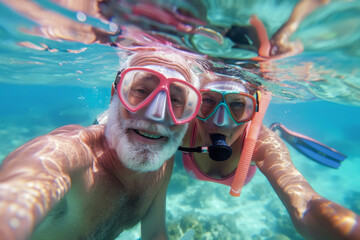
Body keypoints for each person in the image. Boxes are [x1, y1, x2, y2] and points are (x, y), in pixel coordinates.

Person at [0, 50, 202, 240]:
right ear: (115, 93)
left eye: (175, 99)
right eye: (141, 91)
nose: (156, 115)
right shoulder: (67, 158)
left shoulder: (161, 163)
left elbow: (154, 234)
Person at [178, 71, 360, 240]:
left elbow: (305, 203)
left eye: (238, 104)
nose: (220, 121)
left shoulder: (261, 143)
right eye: (208, 101)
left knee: (271, 136)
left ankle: (278, 130)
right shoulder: (181, 131)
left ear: (253, 110)